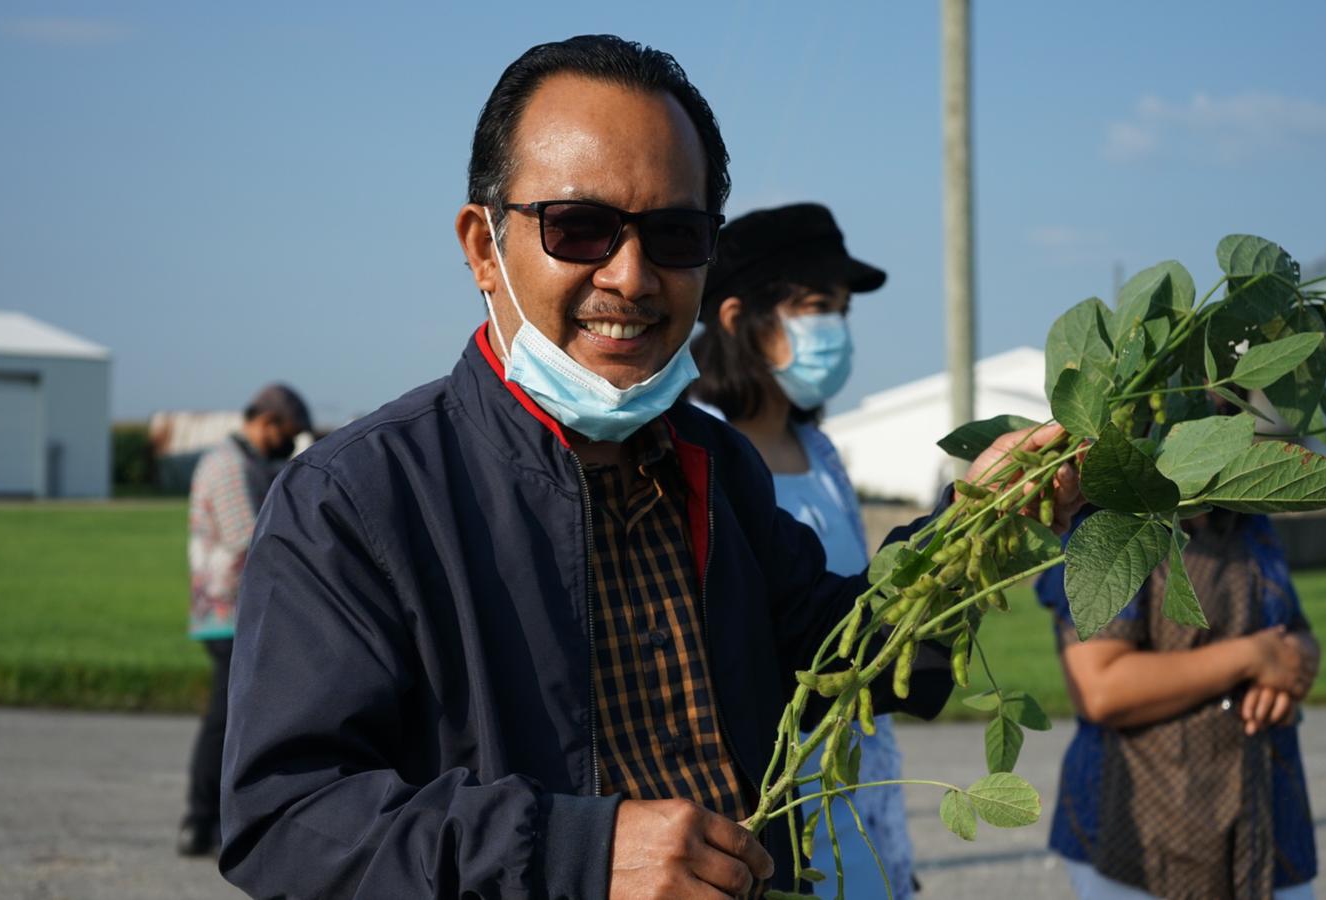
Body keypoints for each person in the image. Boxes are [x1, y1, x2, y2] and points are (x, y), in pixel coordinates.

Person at [219, 34, 1080, 898]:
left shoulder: (714, 465)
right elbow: (288, 820)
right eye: (578, 227)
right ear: (484, 247)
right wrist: (578, 854)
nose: (631, 277)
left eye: (674, 234)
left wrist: (971, 532)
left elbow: (835, 652)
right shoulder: (355, 501)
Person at [688, 202, 917, 898]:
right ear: (738, 319)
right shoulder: (696, 451)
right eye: (818, 308)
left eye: (842, 311)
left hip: (859, 781)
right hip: (767, 799)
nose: (836, 330)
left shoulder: (819, 450)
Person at [1036, 503, 1321, 900]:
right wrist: (1251, 658)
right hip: (1144, 837)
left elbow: (1292, 627)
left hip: (1266, 825)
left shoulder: (1248, 514)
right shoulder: (1111, 520)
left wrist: (1294, 662)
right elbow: (1101, 688)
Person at [178, 383, 310, 857]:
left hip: (234, 610)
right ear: (267, 422)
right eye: (287, 434)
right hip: (227, 611)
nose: (288, 444)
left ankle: (209, 820)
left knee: (233, 718)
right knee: (226, 721)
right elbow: (247, 537)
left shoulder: (245, 462)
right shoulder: (229, 466)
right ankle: (201, 820)